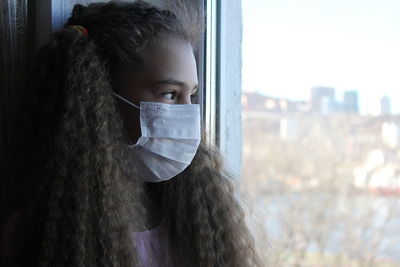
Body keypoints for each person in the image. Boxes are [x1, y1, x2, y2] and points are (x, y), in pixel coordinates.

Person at [1, 1, 261, 266]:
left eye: (191, 95)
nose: (189, 113)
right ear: (101, 99)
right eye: (170, 94)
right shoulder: (44, 230)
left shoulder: (195, 210)